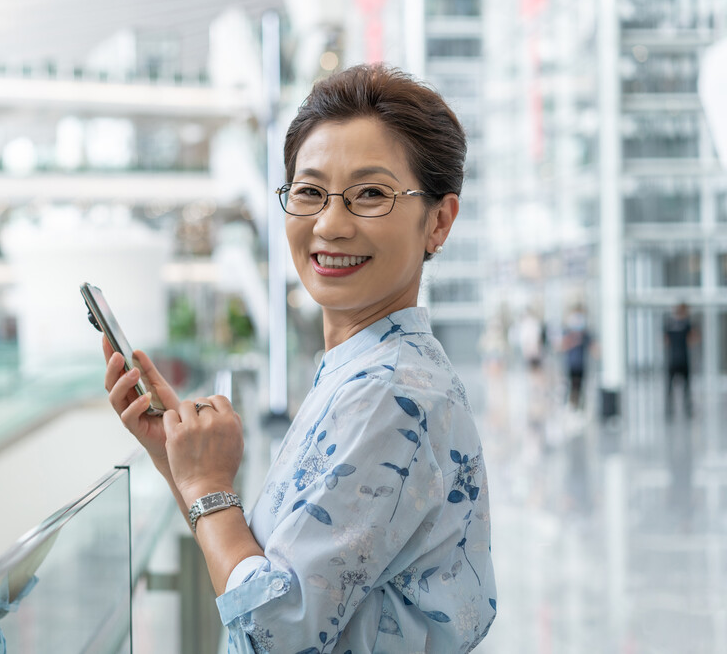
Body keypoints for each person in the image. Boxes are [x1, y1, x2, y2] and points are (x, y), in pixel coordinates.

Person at [102, 64, 496, 653]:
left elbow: (274, 633)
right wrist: (182, 470)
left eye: (370, 194)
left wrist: (209, 485)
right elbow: (283, 573)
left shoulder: (386, 393)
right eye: (310, 192)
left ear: (437, 221)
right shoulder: (364, 369)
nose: (330, 225)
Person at [664, 302, 697, 419]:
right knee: (686, 388)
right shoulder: (687, 325)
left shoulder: (669, 324)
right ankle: (687, 410)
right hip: (683, 360)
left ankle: (669, 411)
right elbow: (692, 340)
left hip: (673, 359)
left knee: (669, 388)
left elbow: (665, 342)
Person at [561, 305, 591, 411]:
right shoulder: (568, 333)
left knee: (579, 386)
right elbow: (562, 346)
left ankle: (579, 406)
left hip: (581, 364)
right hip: (571, 364)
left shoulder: (585, 334)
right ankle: (571, 405)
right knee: (570, 385)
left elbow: (592, 347)